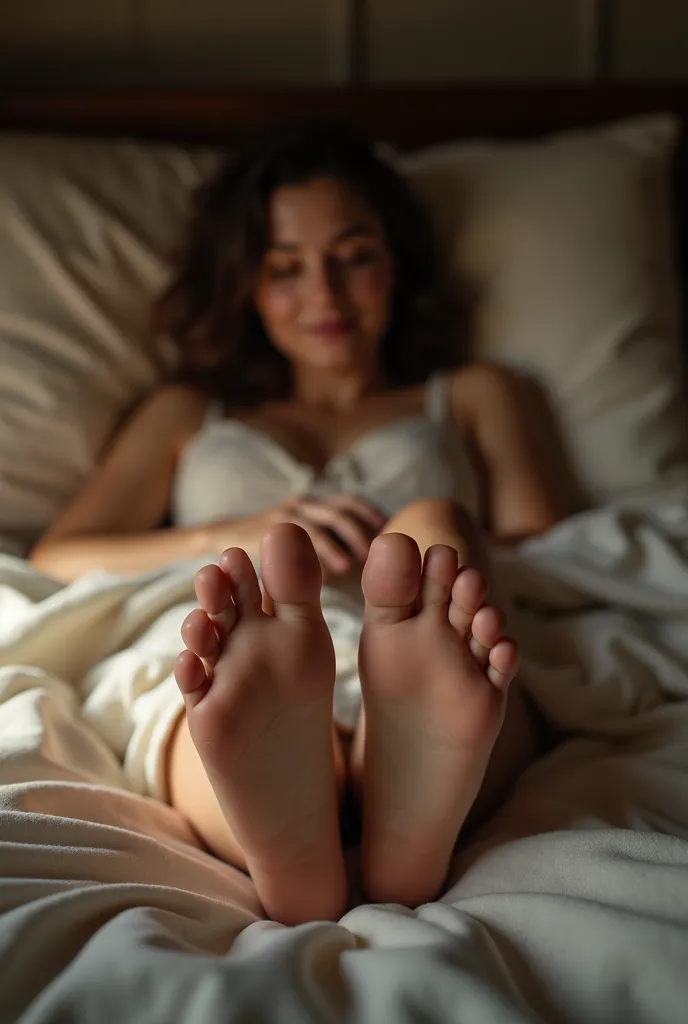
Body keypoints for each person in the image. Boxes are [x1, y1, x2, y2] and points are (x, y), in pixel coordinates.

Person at [30, 120, 562, 926]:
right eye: (286, 268)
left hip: (430, 633)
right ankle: (312, 824)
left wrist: (436, 537)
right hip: (243, 630)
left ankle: (396, 777)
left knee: (434, 528)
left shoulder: (477, 393)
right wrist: (237, 532)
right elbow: (60, 555)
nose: (325, 294)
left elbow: (559, 555)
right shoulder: (187, 413)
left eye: (353, 257)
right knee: (212, 677)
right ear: (245, 284)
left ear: (396, 261)